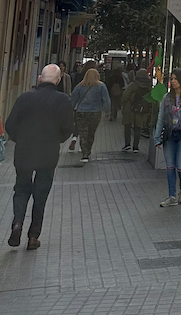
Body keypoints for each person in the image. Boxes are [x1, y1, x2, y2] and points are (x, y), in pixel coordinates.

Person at [5, 65, 74, 250]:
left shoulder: (24, 98)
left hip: (24, 152)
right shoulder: (64, 100)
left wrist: (20, 139)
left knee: (21, 190)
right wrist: (56, 139)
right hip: (48, 154)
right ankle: (33, 236)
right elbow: (68, 128)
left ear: (39, 79)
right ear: (58, 80)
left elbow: (10, 124)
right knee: (40, 194)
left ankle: (17, 223)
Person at [153, 69, 181, 207]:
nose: (173, 81)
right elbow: (161, 117)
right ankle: (172, 196)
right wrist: (157, 136)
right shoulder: (167, 97)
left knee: (180, 167)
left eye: (175, 79)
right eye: (172, 79)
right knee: (170, 167)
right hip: (169, 135)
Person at [70, 68, 111, 162]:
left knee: (83, 133)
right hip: (95, 112)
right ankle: (88, 150)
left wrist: (70, 110)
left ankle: (84, 154)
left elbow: (73, 99)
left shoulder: (79, 86)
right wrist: (107, 111)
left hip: (81, 112)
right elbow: (106, 99)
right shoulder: (101, 86)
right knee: (91, 133)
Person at [121, 66, 154, 152]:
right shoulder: (148, 86)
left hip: (129, 108)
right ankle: (136, 147)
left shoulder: (134, 85)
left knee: (127, 126)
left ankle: (127, 144)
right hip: (141, 110)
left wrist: (124, 103)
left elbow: (125, 95)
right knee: (138, 128)